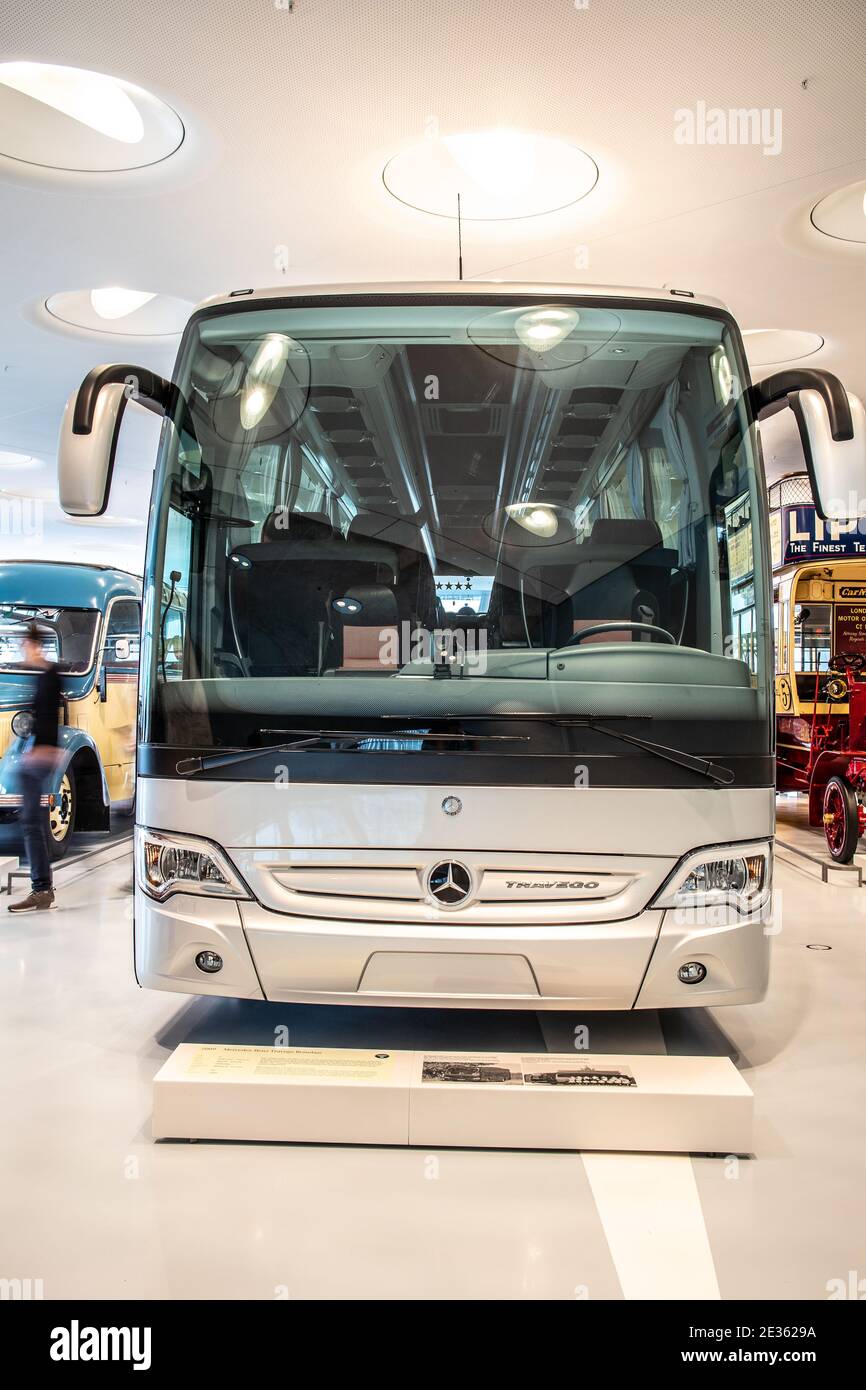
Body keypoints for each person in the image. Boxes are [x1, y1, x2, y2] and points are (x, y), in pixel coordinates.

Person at [8, 623, 61, 912]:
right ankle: (42, 887)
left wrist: (42, 750)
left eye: (23, 645)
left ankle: (41, 888)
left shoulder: (50, 677)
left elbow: (50, 717)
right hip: (38, 755)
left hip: (41, 757)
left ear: (33, 645)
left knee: (31, 822)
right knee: (33, 822)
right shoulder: (46, 677)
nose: (21, 651)